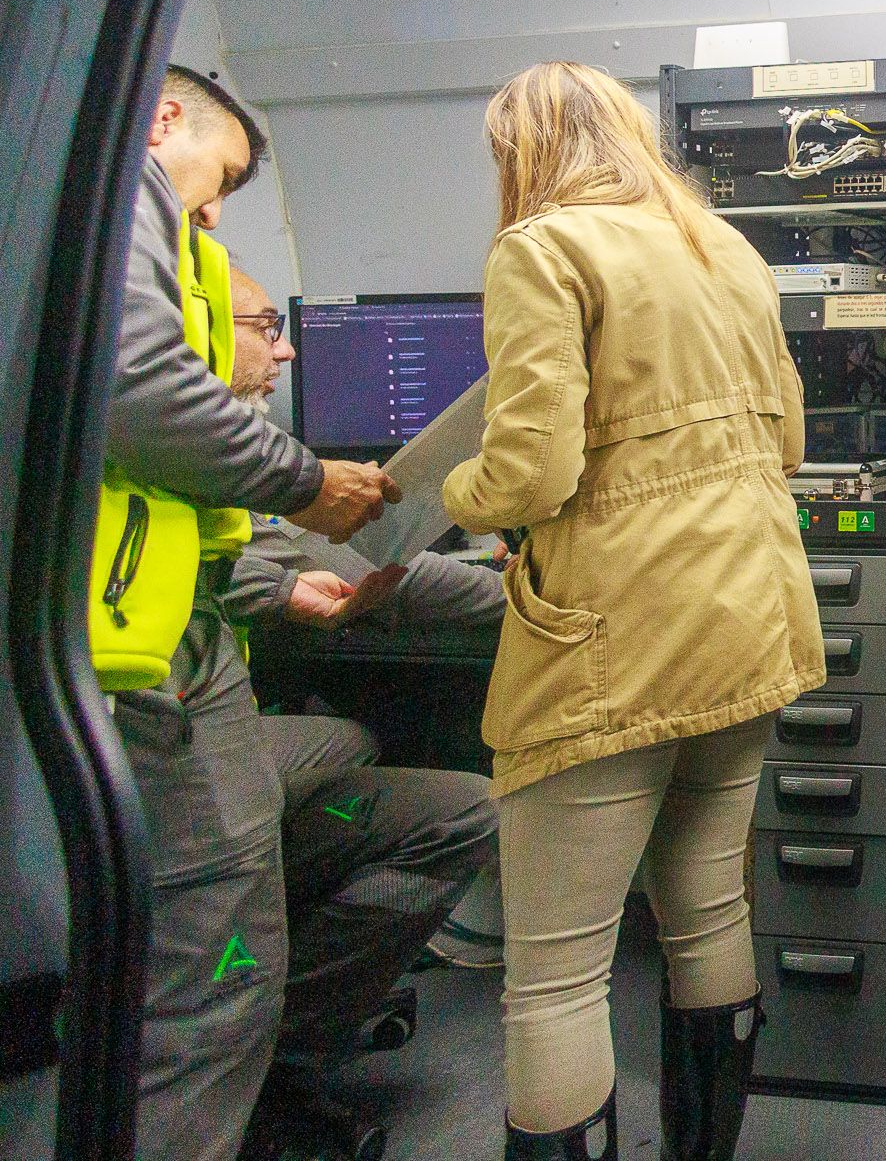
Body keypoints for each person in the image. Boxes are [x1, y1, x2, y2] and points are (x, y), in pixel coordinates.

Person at [100, 66, 498, 1161]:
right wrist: (311, 486)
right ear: (163, 118)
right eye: (263, 327)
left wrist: (279, 587)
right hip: (154, 693)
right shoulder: (119, 216)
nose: (210, 213)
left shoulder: (179, 459)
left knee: (356, 745)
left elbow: (208, 553)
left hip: (178, 673)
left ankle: (260, 1049)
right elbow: (146, 390)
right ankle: (237, 1056)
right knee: (218, 973)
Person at [442, 60, 823, 1161]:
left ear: (523, 149)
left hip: (618, 636)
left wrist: (452, 492)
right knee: (707, 913)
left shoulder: (543, 249)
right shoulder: (725, 248)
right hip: (748, 616)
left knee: (556, 977)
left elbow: (531, 474)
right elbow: (790, 443)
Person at [216, 268, 507, 637]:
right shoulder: (224, 467)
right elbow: (376, 570)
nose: (286, 350)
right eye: (264, 327)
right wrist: (527, 591)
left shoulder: (209, 458)